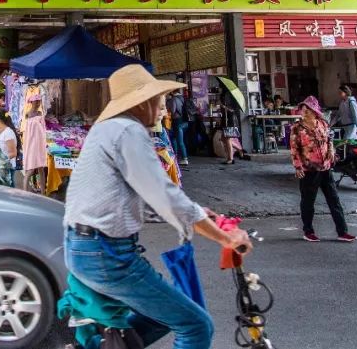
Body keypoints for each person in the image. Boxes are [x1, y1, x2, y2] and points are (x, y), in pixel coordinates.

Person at [64, 65, 252, 349]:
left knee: (161, 316)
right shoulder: (128, 131)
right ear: (141, 104)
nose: (163, 109)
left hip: (86, 247)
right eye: (158, 101)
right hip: (106, 253)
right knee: (196, 326)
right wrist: (225, 237)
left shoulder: (107, 130)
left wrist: (200, 212)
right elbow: (164, 195)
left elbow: (137, 198)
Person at [291, 96, 355, 243]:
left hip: (325, 168)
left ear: (315, 111)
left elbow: (329, 139)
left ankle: (342, 231)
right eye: (303, 110)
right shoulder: (297, 127)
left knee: (334, 200)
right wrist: (298, 166)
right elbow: (294, 148)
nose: (304, 112)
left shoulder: (323, 124)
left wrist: (331, 151)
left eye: (308, 110)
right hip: (309, 169)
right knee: (308, 202)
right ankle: (308, 231)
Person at [21, 97, 47, 192]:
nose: (38, 104)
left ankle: (43, 192)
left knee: (41, 168)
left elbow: (43, 130)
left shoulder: (39, 114)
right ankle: (24, 191)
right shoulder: (28, 114)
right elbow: (28, 132)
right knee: (31, 170)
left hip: (39, 143)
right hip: (31, 144)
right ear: (32, 102)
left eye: (39, 102)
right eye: (37, 102)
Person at [167, 90, 190, 166]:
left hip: (177, 121)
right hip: (184, 121)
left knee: (180, 141)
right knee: (173, 138)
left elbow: (173, 111)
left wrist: (168, 109)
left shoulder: (174, 99)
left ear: (172, 92)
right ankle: (175, 156)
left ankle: (184, 158)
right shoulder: (182, 98)